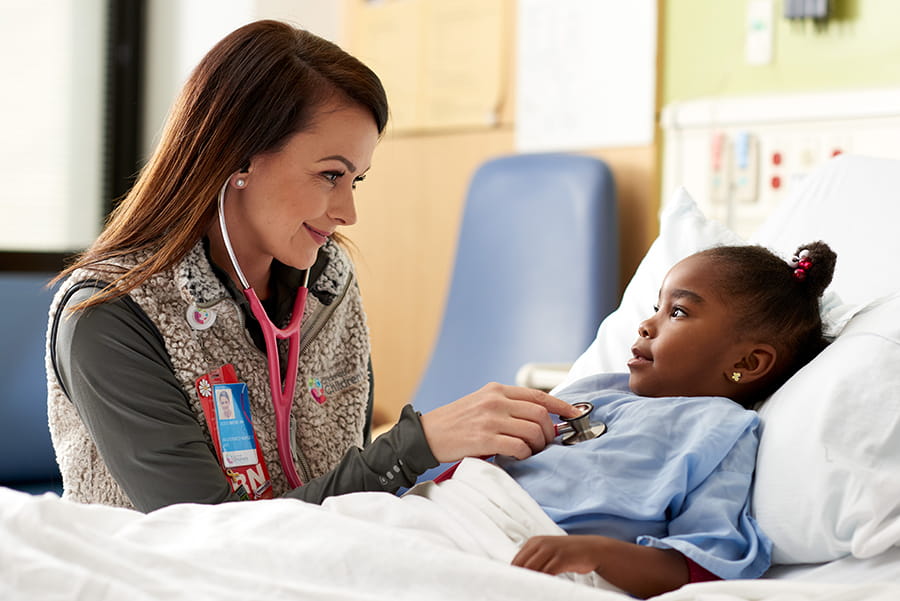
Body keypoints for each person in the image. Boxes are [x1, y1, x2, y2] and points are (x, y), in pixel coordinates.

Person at [46, 20, 578, 512]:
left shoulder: (328, 285)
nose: (348, 212)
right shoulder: (109, 315)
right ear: (239, 157)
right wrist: (417, 445)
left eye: (357, 180)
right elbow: (205, 534)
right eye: (330, 175)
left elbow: (341, 487)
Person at [491, 241, 838, 598]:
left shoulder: (719, 431)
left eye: (678, 312)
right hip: (468, 506)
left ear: (747, 363)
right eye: (657, 307)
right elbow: (490, 456)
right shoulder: (597, 389)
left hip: (528, 554)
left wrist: (596, 553)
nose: (644, 325)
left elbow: (703, 564)